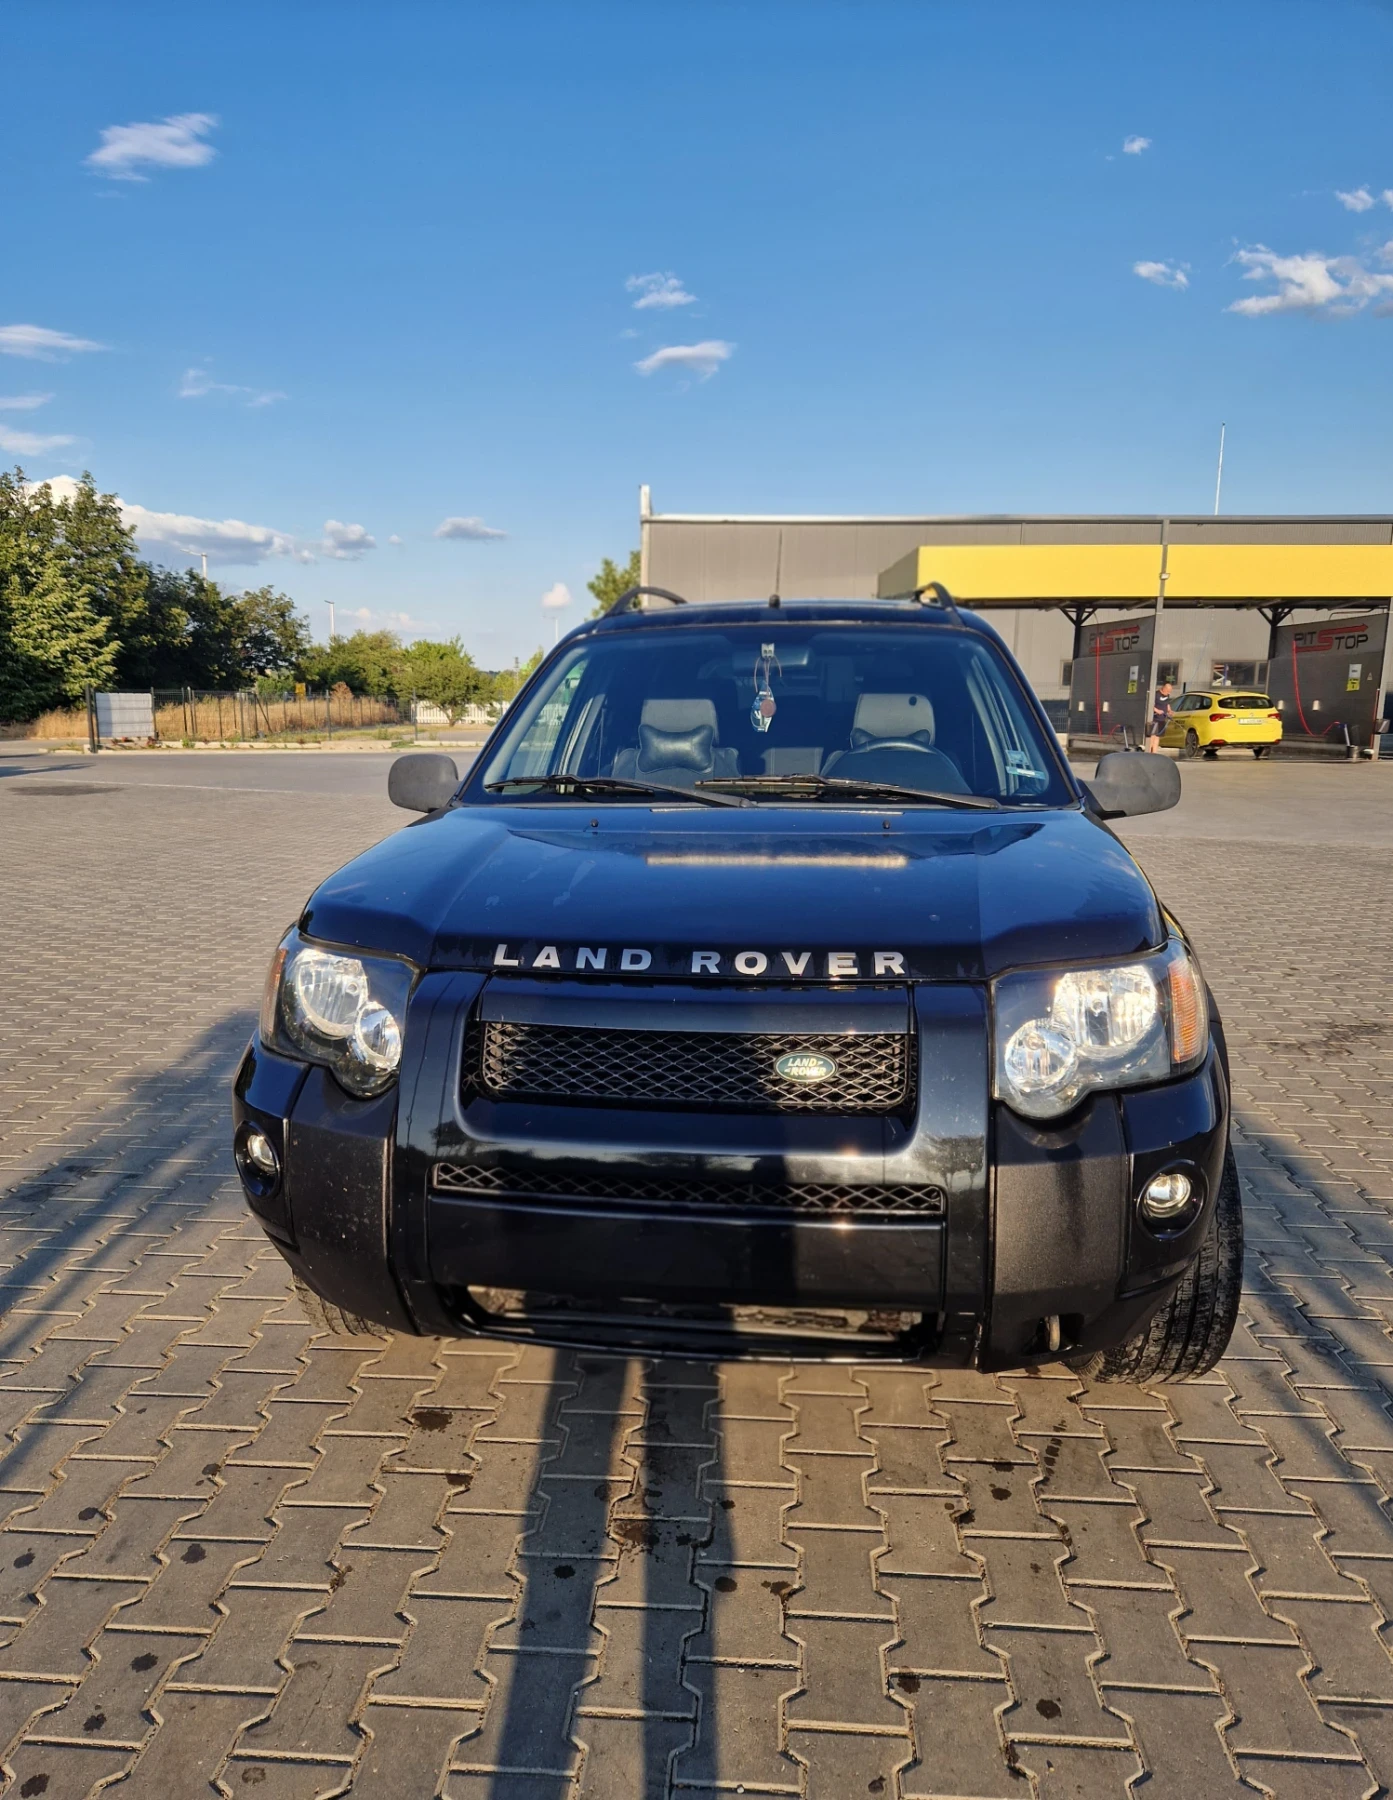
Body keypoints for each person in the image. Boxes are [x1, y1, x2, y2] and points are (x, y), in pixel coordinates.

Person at [1147, 679, 1174, 753]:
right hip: (1155, 718)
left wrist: (1170, 711)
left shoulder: (1167, 695)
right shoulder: (1156, 694)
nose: (1169, 692)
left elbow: (1167, 704)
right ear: (1164, 688)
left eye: (1170, 691)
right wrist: (1157, 711)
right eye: (1168, 691)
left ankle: (1154, 752)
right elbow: (1150, 705)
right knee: (1152, 736)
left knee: (1158, 736)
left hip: (1162, 719)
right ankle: (1149, 752)